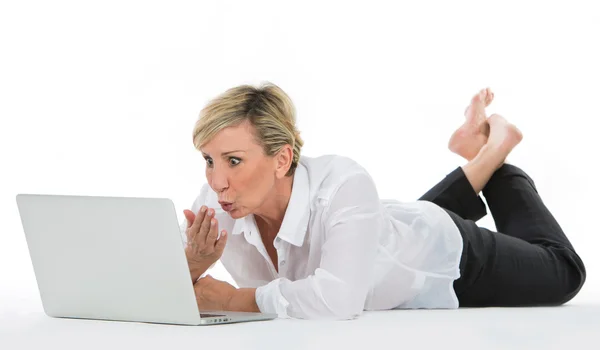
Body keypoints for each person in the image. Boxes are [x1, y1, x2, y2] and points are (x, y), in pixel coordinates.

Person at [179, 82, 586, 320]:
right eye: (209, 160)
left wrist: (236, 299)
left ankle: (495, 155)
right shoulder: (219, 201)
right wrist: (193, 265)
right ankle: (479, 152)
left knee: (564, 274)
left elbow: (339, 301)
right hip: (385, 234)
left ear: (282, 158)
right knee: (391, 233)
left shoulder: (344, 182)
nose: (217, 181)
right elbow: (155, 286)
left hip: (445, 258)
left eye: (234, 161)